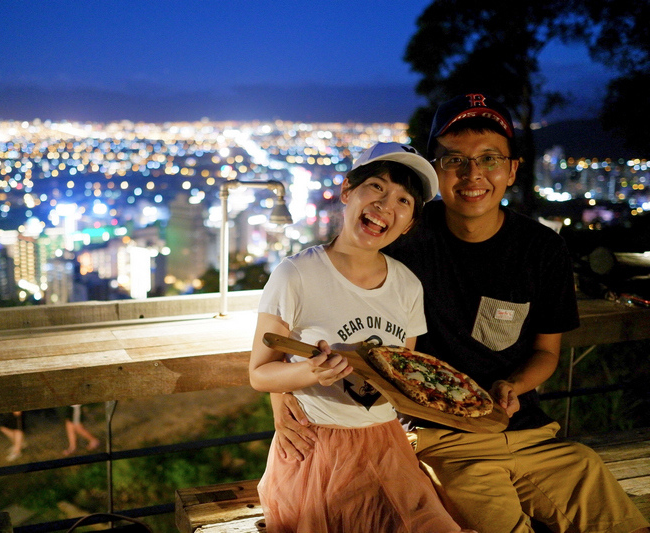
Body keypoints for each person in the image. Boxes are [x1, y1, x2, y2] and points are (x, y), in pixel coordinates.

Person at [274, 93, 650, 532]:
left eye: (489, 159)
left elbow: (548, 350)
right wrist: (282, 395)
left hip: (531, 433)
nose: (473, 175)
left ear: (512, 169)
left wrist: (515, 385)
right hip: (442, 441)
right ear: (435, 171)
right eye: (454, 160)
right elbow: (307, 299)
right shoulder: (401, 232)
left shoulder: (541, 248)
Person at [249, 143, 473, 533]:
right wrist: (307, 374)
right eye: (376, 187)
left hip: (389, 447)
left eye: (404, 200)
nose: (386, 205)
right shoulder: (295, 275)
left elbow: (403, 375)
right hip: (316, 452)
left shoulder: (406, 285)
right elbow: (260, 373)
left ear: (408, 224)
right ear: (348, 192)